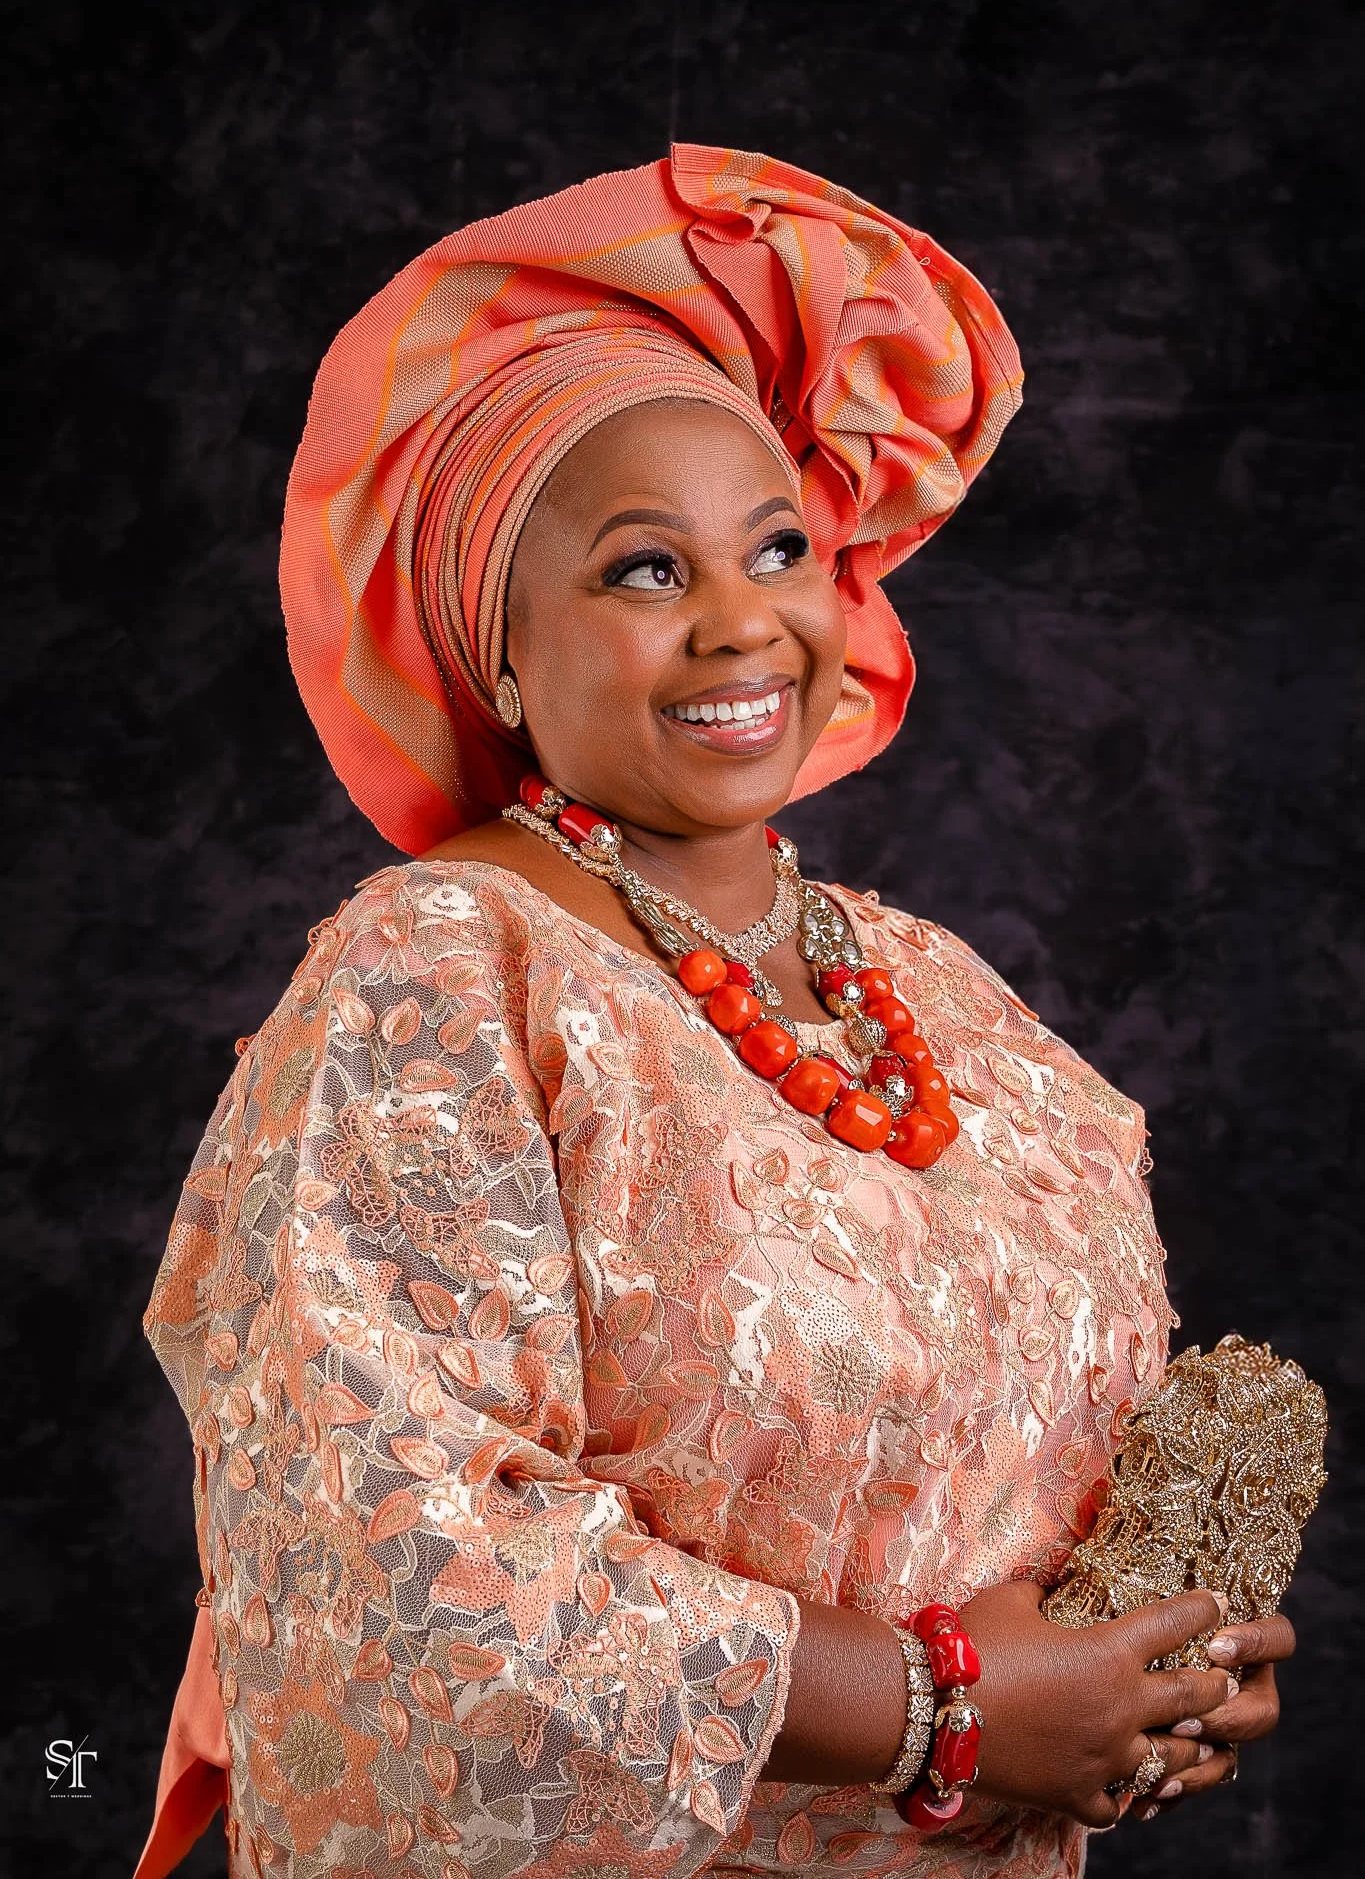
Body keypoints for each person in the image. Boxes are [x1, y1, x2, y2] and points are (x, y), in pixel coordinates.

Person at [133, 145, 1293, 1879]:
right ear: (498, 650)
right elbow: (392, 1565)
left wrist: (1149, 1667)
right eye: (644, 572)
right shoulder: (441, 979)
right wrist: (942, 1708)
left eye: (778, 546)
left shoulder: (938, 990)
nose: (744, 623)